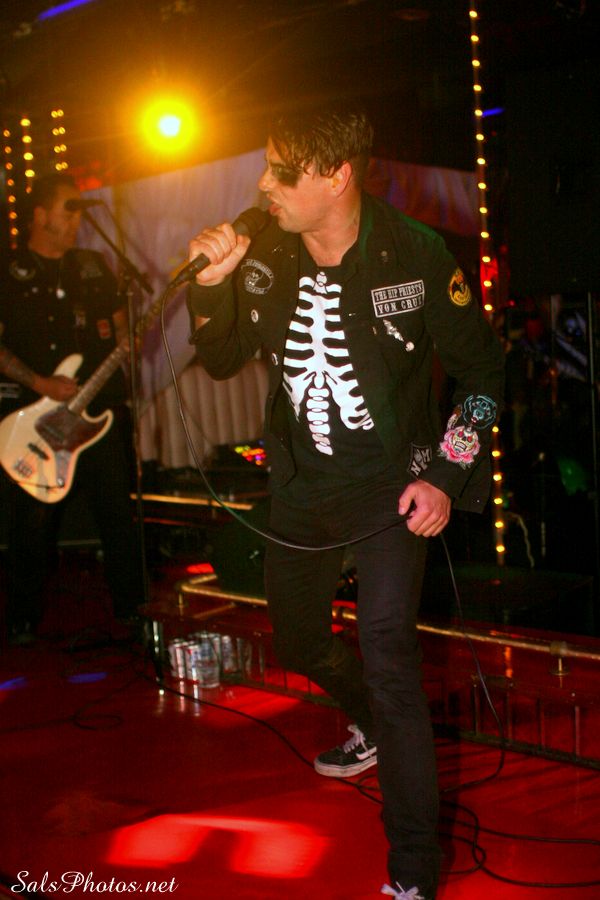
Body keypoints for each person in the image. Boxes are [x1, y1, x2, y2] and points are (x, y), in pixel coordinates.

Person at [186, 103, 504, 900]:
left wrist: (447, 475)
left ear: (336, 177)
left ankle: (413, 873)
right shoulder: (265, 254)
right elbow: (221, 358)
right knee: (298, 642)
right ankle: (368, 721)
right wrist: (212, 289)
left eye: (281, 173)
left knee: (390, 658)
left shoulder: (416, 254)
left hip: (391, 491)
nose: (264, 188)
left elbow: (485, 375)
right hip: (300, 491)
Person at [0, 172, 143, 644]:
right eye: (68, 209)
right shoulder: (9, 270)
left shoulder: (92, 265)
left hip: (97, 412)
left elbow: (120, 325)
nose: (77, 220)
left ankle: (132, 608)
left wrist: (127, 340)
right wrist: (40, 382)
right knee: (32, 519)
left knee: (117, 511)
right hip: (37, 417)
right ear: (40, 215)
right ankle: (22, 616)